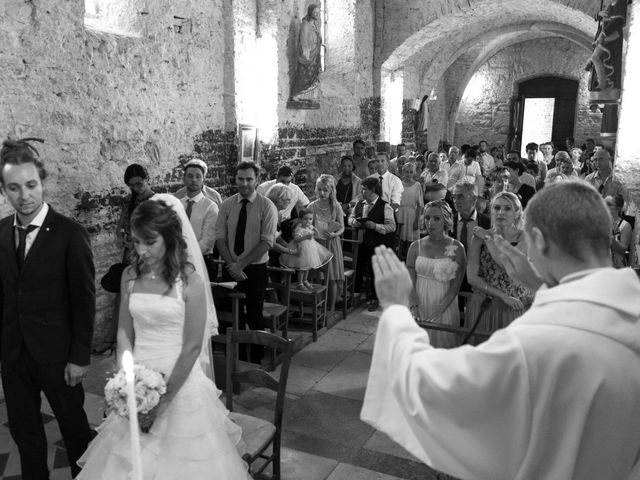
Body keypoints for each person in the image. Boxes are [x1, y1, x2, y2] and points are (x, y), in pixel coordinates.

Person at [362, 180, 640, 480]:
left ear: (538, 240)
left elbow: (432, 388)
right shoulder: (628, 312)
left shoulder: (534, 344)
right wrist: (537, 280)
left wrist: (394, 308)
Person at [77, 196, 251, 479]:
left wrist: (163, 400)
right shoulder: (130, 276)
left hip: (179, 382)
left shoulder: (190, 281)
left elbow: (193, 346)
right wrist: (127, 382)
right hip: (138, 376)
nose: (141, 250)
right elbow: (123, 330)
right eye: (136, 242)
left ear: (170, 238)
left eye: (149, 241)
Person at [0, 138, 95, 479]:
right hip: (14, 356)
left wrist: (80, 357)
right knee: (26, 435)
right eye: (13, 188)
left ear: (42, 181)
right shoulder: (0, 233)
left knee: (76, 433)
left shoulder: (70, 234)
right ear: (4, 190)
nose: (23, 196)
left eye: (30, 185)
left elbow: (84, 300)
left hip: (59, 357)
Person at [215, 161, 278, 362]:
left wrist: (240, 264)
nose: (244, 183)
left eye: (249, 179)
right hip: (230, 266)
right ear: (235, 179)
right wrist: (232, 264)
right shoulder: (227, 204)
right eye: (240, 179)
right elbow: (220, 238)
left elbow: (267, 241)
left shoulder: (267, 206)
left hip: (255, 269)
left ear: (257, 180)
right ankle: (235, 357)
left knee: (254, 314)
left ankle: (255, 359)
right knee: (231, 315)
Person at [466, 192, 533, 337]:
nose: (501, 212)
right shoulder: (479, 237)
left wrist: (489, 240)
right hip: (485, 304)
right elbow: (471, 278)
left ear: (517, 213)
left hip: (515, 307)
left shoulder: (525, 237)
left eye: (507, 208)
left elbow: (508, 266)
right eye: (496, 208)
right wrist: (502, 296)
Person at [406, 201, 465, 348]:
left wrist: (439, 311)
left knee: (441, 348)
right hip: (418, 301)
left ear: (446, 220)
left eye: (436, 218)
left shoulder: (457, 247)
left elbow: (455, 287)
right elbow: (409, 282)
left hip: (444, 304)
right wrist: (414, 308)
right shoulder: (415, 246)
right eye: (427, 218)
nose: (430, 223)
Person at [349, 177, 396, 311]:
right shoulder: (360, 203)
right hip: (360, 242)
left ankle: (375, 298)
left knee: (374, 271)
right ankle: (356, 294)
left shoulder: (385, 206)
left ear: (373, 190)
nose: (362, 191)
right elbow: (350, 218)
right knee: (357, 267)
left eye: (364, 189)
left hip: (377, 244)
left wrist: (375, 226)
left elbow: (392, 227)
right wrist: (354, 222)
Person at [175, 158, 219, 279]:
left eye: (198, 176)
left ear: (203, 179)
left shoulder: (210, 206)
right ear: (184, 179)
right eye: (190, 176)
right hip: (178, 262)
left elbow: (207, 241)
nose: (194, 180)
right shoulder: (177, 204)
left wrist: (185, 254)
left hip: (202, 261)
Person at [308, 175, 345, 310]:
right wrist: (311, 231)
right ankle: (317, 304)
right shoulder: (312, 206)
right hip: (316, 244)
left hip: (331, 244)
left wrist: (335, 234)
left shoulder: (336, 207)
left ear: (331, 191)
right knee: (316, 275)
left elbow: (342, 226)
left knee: (332, 276)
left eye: (325, 190)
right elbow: (307, 225)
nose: (322, 193)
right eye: (319, 190)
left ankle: (332, 306)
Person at [279, 208, 333, 289]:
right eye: (305, 219)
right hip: (300, 249)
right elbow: (296, 239)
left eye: (310, 219)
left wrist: (315, 230)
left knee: (308, 266)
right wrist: (305, 237)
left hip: (310, 249)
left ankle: (305, 280)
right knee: (301, 267)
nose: (308, 221)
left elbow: (313, 229)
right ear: (300, 219)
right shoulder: (299, 229)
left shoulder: (310, 226)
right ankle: (300, 283)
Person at [290, 3, 322, 102]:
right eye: (314, 12)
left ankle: (305, 95)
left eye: (318, 12)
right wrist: (306, 52)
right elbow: (303, 38)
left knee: (312, 74)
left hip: (315, 54)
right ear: (310, 12)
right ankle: (295, 93)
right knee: (303, 73)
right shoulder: (305, 24)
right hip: (307, 54)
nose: (316, 14)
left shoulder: (314, 25)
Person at [397, 162, 424, 259]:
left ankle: (411, 259)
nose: (408, 174)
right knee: (399, 240)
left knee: (411, 240)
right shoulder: (398, 183)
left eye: (411, 172)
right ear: (403, 172)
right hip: (400, 213)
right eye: (407, 172)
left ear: (414, 172)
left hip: (412, 214)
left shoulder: (417, 185)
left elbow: (420, 204)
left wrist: (416, 220)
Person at [606, 194, 632, 268]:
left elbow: (622, 250)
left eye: (610, 204)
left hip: (617, 267)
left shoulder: (625, 226)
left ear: (618, 208)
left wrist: (614, 236)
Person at [335, 155, 362, 224]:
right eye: (344, 166)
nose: (346, 168)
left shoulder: (358, 181)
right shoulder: (335, 180)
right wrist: (338, 206)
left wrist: (347, 205)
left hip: (351, 211)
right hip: (335, 210)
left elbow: (359, 197)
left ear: (353, 167)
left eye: (349, 166)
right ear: (341, 167)